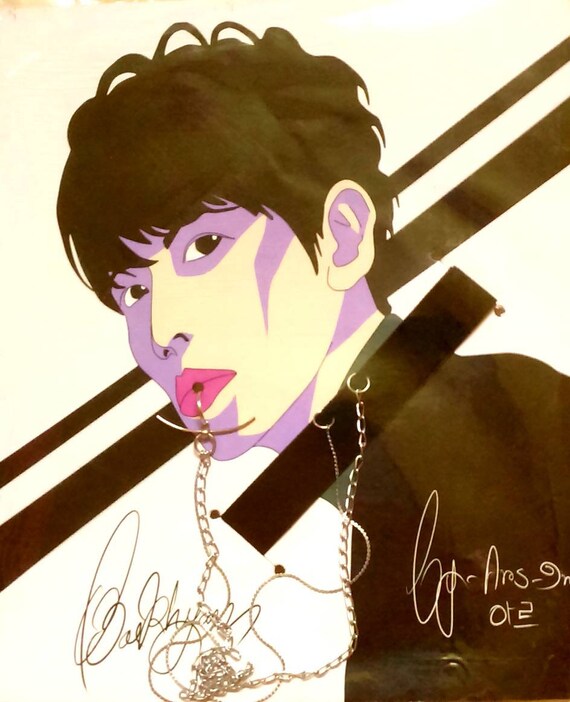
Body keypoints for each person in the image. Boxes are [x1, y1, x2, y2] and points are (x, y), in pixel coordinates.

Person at [57, 22, 570, 701]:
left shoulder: (513, 415)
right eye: (132, 290)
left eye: (204, 246)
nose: (160, 330)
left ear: (342, 235)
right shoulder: (302, 500)